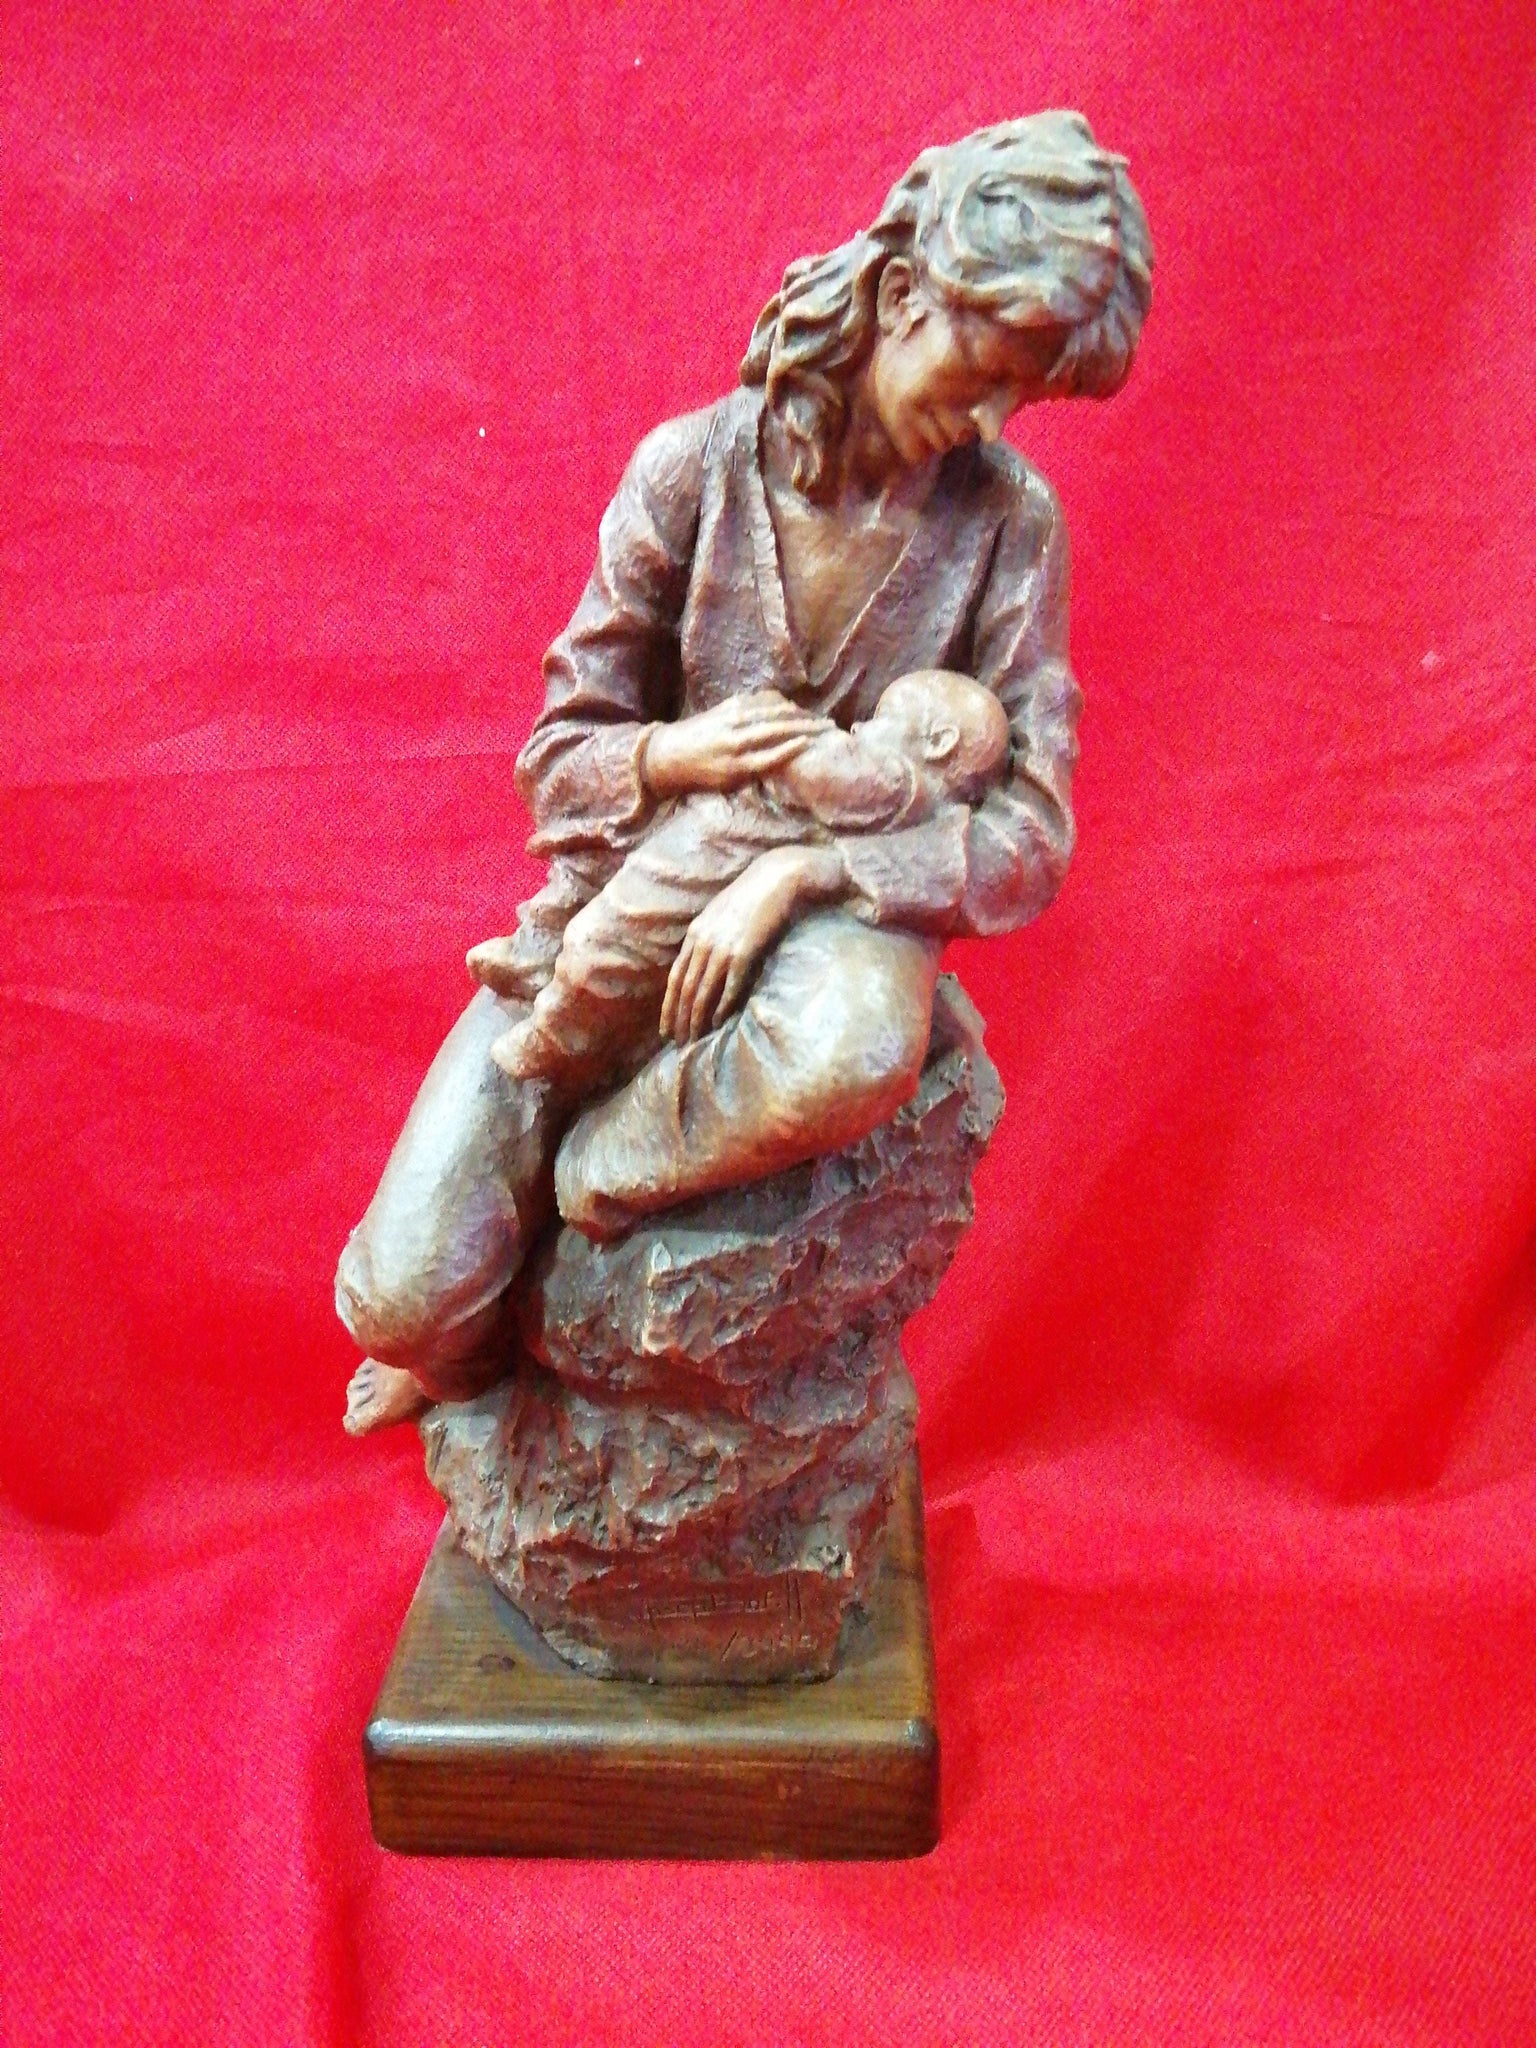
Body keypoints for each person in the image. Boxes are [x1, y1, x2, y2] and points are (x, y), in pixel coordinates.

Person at [339, 109, 1153, 1434]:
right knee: (404, 1301)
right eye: (987, 369)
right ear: (904, 292)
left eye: (1027, 394)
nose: (994, 418)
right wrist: (676, 750)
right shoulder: (693, 469)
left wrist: (806, 872)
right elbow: (558, 758)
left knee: (852, 1048)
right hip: (625, 903)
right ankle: (491, 1356)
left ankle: (595, 1177)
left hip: (834, 930)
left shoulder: (1012, 525)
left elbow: (1031, 833)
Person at [477, 670, 1011, 1099]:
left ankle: (557, 1032)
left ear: (938, 742)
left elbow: (815, 769)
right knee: (607, 887)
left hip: (720, 854)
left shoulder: (893, 781)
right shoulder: (883, 779)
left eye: (879, 720)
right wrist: (675, 753)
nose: (857, 728)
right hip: (716, 831)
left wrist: (781, 732)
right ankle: (538, 953)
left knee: (609, 936)